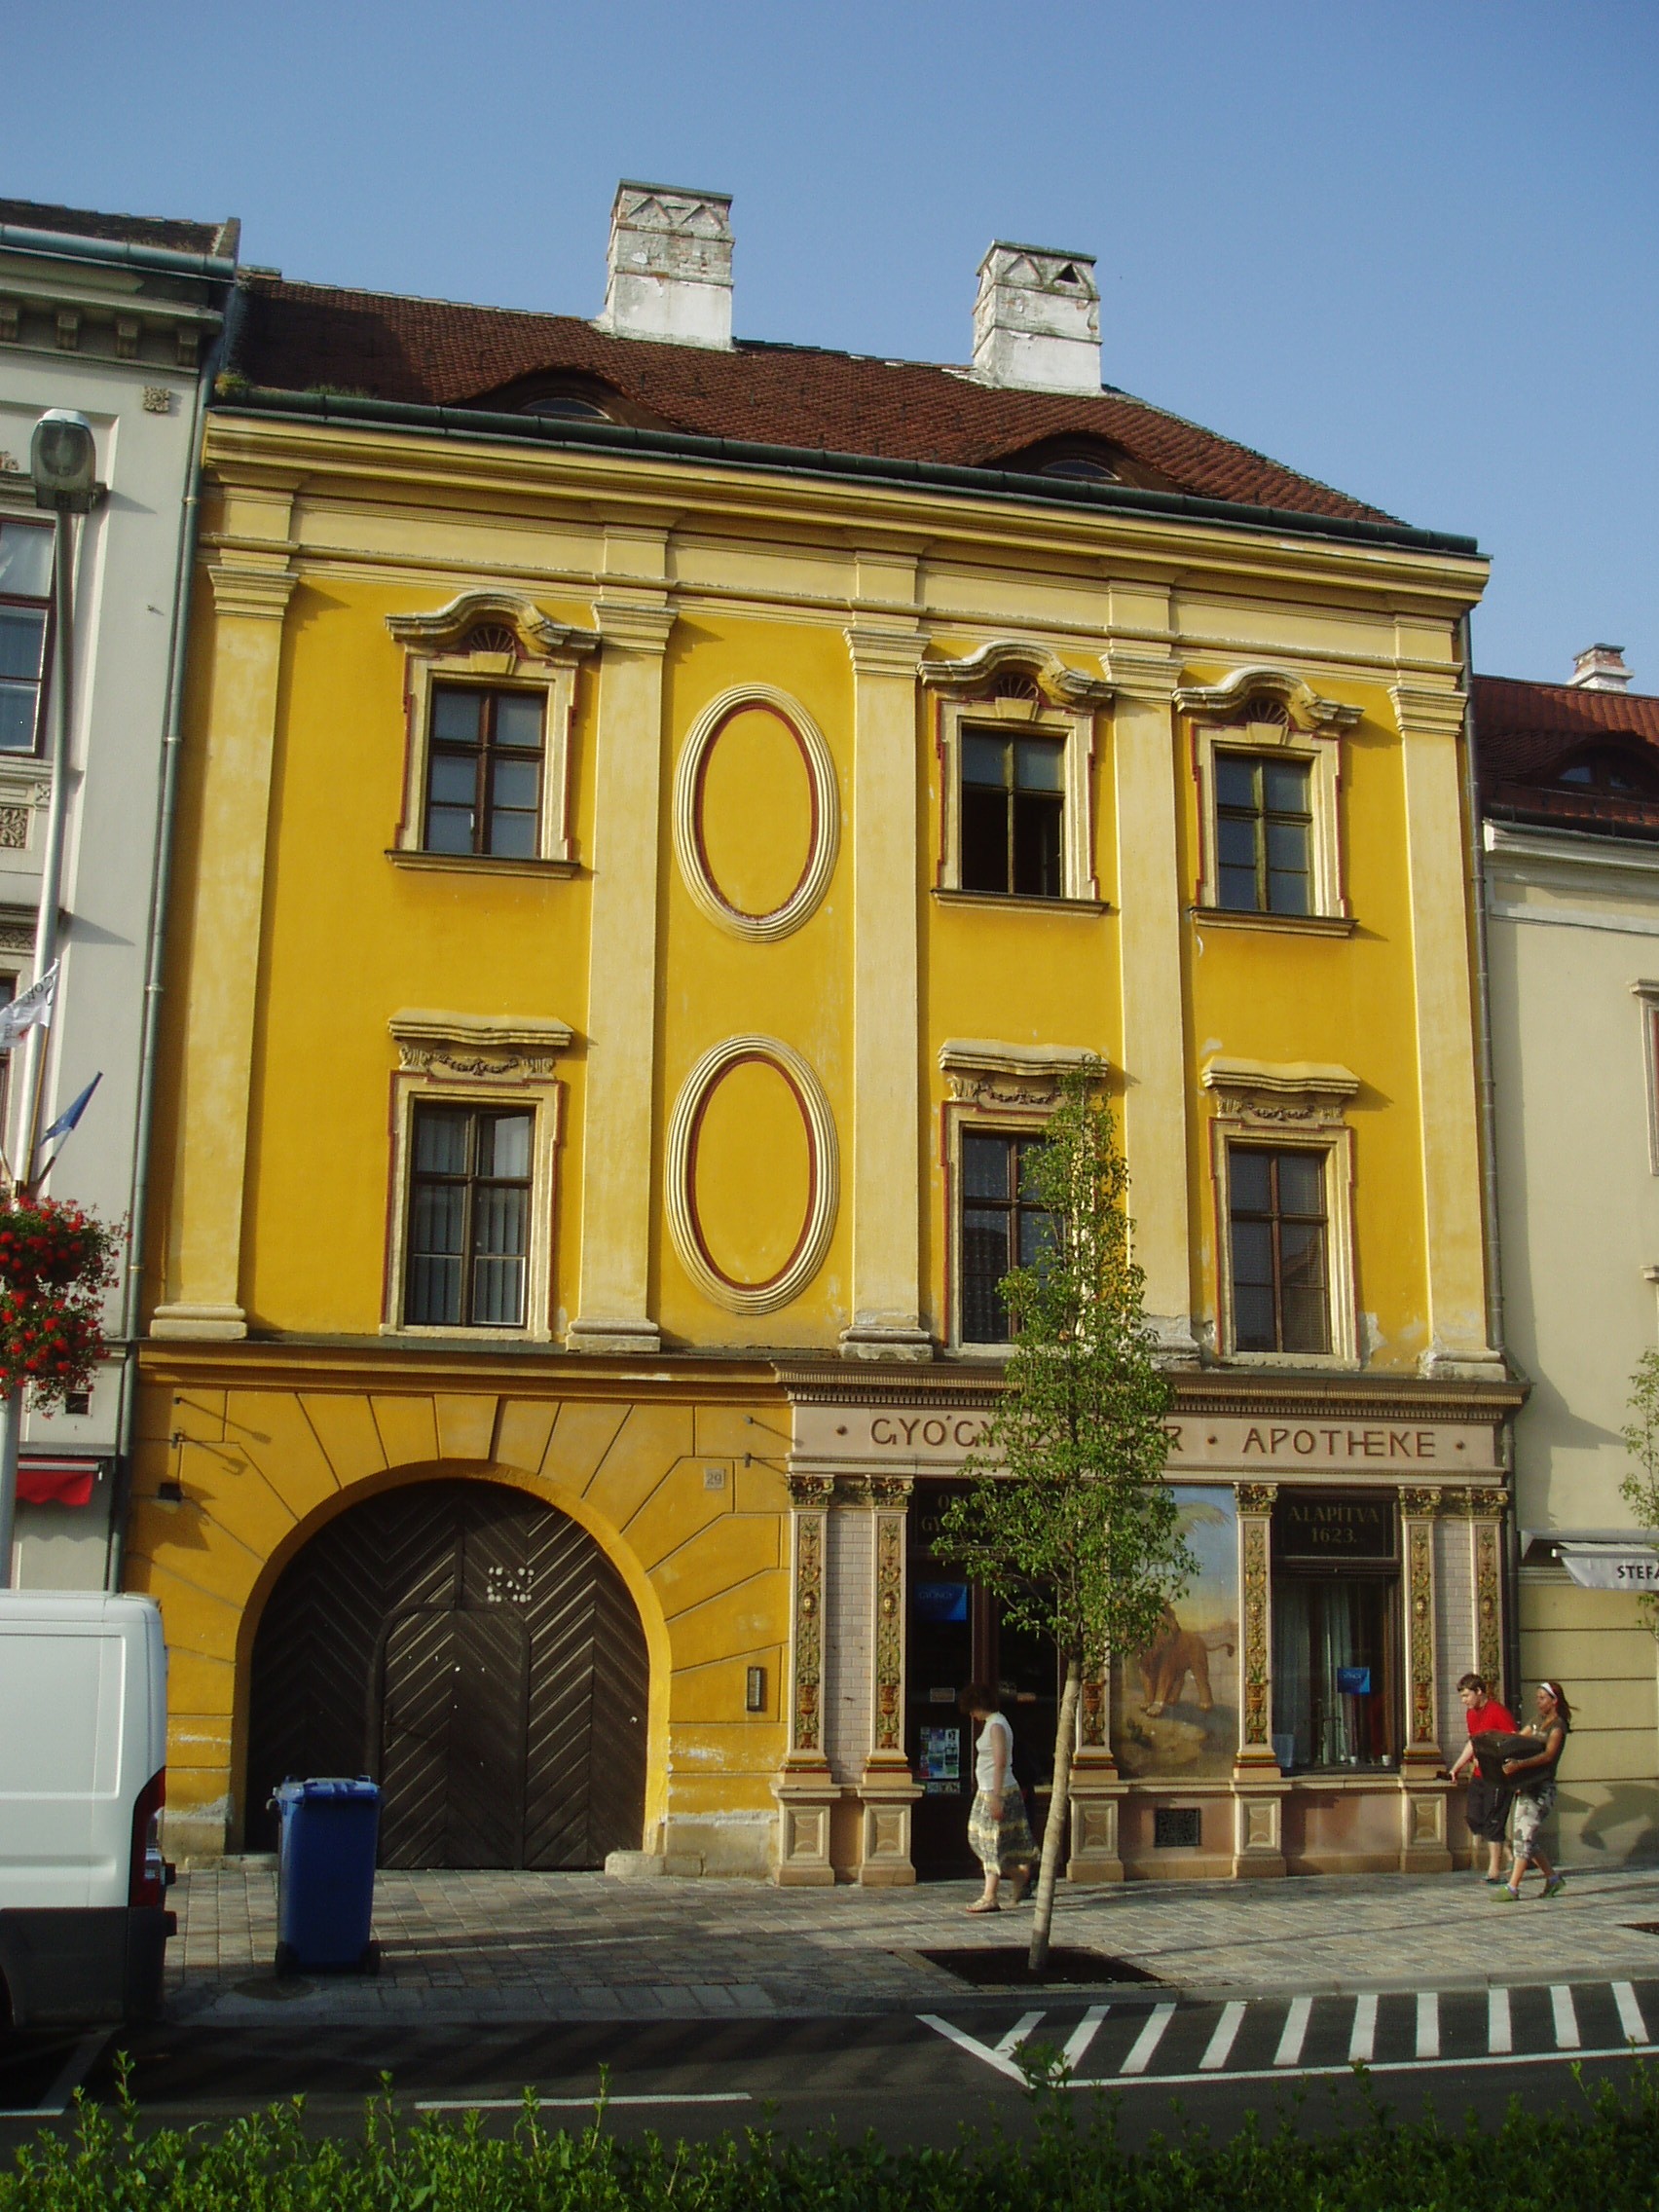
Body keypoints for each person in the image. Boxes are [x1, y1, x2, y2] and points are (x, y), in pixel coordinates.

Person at [960, 1683, 1036, 1914]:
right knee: (978, 1838)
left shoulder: (996, 1725)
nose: (972, 1715)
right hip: (987, 1791)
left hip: (997, 1791)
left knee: (990, 1842)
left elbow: (1000, 1761)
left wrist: (996, 1795)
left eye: (972, 1709)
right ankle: (1018, 1874)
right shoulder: (993, 1723)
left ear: (979, 1705)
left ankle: (990, 1895)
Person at [1493, 1681, 1571, 1901]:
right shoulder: (1536, 1721)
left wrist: (1519, 1765)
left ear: (1554, 1701)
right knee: (1526, 1837)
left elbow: (1548, 1755)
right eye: (1537, 1698)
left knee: (1524, 1837)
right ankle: (1553, 1879)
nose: (1538, 1702)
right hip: (1526, 1786)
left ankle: (1512, 1887)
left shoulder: (1558, 1725)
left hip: (1541, 1789)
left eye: (1542, 1698)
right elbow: (1519, 1739)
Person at [1446, 1671, 1517, 1884]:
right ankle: (1508, 1850)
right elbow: (1473, 1743)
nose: (1464, 1701)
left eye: (1466, 1695)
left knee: (1493, 1820)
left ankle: (1494, 1871)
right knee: (1475, 1818)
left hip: (1498, 1776)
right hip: (1479, 1775)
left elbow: (1513, 1741)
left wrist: (1499, 1760)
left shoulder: (1497, 1712)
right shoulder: (1471, 1714)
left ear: (1479, 1692)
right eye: (1462, 1697)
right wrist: (1456, 1768)